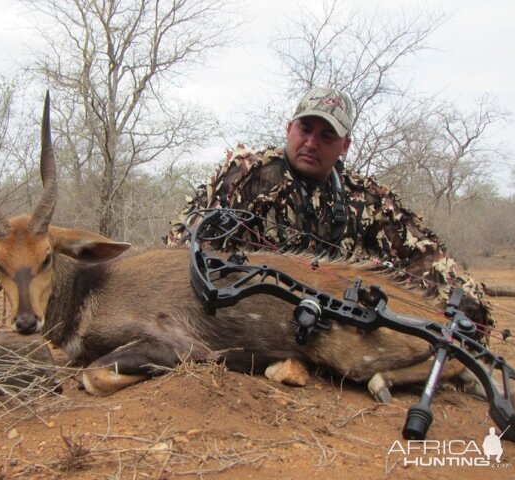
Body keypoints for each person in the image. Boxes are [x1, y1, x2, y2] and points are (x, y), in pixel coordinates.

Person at [166, 87, 491, 335]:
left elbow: (428, 260)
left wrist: (467, 309)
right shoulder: (246, 173)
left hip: (326, 327)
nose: (311, 142)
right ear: (289, 128)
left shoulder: (367, 199)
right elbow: (183, 245)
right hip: (245, 319)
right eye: (305, 129)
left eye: (326, 135)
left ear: (345, 146)